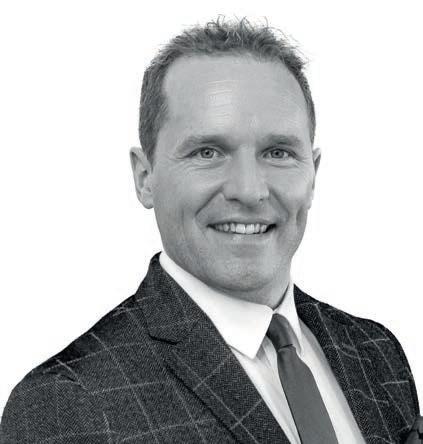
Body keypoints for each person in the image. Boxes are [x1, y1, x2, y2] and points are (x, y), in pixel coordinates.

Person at [0, 17, 420, 444]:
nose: (249, 190)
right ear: (145, 177)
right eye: (208, 152)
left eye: (278, 152)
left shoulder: (376, 352)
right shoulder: (65, 406)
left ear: (313, 175)